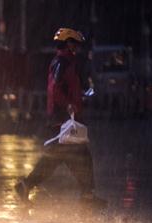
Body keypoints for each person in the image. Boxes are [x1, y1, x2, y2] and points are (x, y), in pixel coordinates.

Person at [15, 28, 105, 207]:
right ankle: (87, 197)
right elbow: (56, 88)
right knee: (81, 157)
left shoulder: (65, 61)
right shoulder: (62, 62)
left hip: (64, 119)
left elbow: (66, 88)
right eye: (74, 43)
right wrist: (68, 105)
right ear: (67, 43)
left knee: (56, 159)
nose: (77, 47)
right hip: (63, 120)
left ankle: (26, 185)